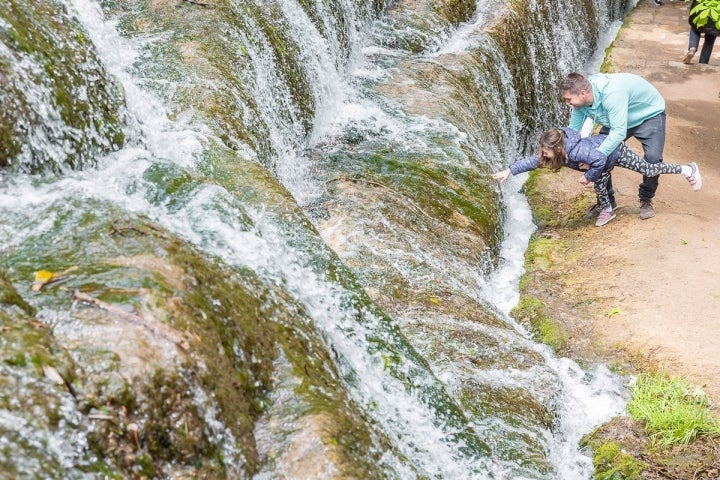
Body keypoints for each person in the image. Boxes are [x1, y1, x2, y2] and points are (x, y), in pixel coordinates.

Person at [492, 128, 701, 227]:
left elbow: (600, 160)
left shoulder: (577, 152)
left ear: (557, 148)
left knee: (648, 168)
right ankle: (608, 209)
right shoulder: (561, 152)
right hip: (601, 163)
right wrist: (510, 170)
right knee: (600, 183)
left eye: (545, 150)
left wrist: (588, 176)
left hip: (616, 153)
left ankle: (687, 170)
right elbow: (534, 161)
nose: (543, 154)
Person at [560, 72, 666, 221]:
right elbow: (573, 132)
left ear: (582, 93)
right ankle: (607, 202)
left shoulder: (612, 94)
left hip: (648, 115)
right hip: (616, 119)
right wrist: (559, 151)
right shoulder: (580, 103)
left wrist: (596, 156)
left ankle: (646, 199)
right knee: (594, 153)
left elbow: (618, 133)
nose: (567, 103)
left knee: (653, 159)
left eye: (568, 99)